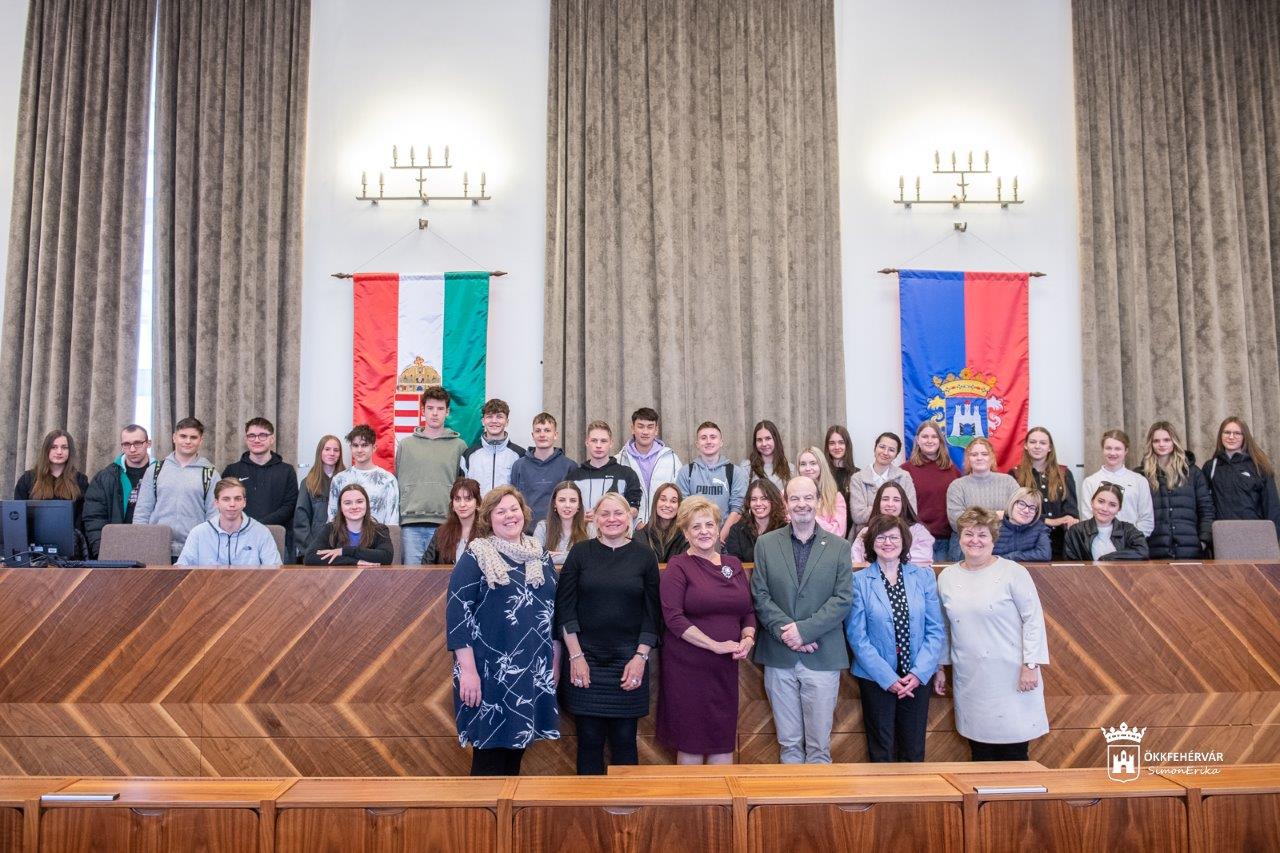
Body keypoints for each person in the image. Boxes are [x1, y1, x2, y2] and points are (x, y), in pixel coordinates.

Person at [446, 486, 559, 776]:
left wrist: (553, 664)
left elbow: (552, 610)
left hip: (531, 669)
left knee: (516, 754)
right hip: (488, 672)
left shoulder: (540, 555)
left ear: (524, 512)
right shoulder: (477, 555)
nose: (509, 516)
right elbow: (458, 616)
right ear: (488, 518)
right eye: (501, 511)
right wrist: (468, 671)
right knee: (488, 757)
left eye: (514, 509)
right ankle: (482, 820)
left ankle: (505, 819)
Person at [750, 476, 854, 764]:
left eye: (808, 497)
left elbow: (842, 599)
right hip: (779, 656)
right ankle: (791, 807)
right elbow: (760, 594)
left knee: (819, 747)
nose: (802, 504)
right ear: (785, 503)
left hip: (822, 656)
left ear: (818, 501)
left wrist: (804, 631)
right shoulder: (766, 544)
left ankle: (817, 808)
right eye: (795, 498)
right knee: (789, 745)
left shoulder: (839, 547)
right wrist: (788, 633)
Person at [557, 492, 661, 775]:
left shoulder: (644, 556)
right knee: (588, 741)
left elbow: (653, 615)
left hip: (629, 662)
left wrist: (640, 657)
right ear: (595, 518)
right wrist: (575, 656)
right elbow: (565, 609)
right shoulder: (580, 553)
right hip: (584, 661)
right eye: (605, 514)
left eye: (618, 514)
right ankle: (588, 814)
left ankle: (626, 816)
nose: (612, 519)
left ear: (630, 518)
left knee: (625, 741)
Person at [935, 507, 1049, 761]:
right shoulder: (947, 577)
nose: (975, 540)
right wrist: (940, 666)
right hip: (972, 677)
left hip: (1012, 675)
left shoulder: (1014, 573)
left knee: (1014, 751)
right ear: (960, 537)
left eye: (982, 535)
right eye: (969, 534)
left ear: (993, 539)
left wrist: (1031, 664)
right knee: (980, 751)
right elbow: (944, 626)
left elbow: (1033, 620)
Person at [657, 496, 756, 764]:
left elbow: (747, 610)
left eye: (709, 525)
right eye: (696, 527)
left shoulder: (733, 564)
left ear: (717, 527)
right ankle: (694, 806)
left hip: (725, 667)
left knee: (722, 738)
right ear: (686, 533)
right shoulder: (678, 566)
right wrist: (715, 645)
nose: (704, 532)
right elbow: (674, 619)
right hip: (688, 668)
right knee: (691, 742)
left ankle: (720, 806)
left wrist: (748, 637)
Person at [845, 515, 944, 762]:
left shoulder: (923, 577)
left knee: (913, 749)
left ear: (904, 542)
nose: (887, 542)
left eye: (893, 537)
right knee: (882, 749)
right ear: (871, 543)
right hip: (876, 678)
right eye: (880, 537)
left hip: (916, 678)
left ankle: (912, 801)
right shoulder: (858, 581)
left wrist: (920, 673)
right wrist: (887, 678)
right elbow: (857, 636)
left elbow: (935, 630)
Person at [396, 385, 468, 562]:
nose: (435, 413)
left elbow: (464, 487)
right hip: (411, 524)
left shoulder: (459, 446)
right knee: (410, 581)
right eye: (430, 408)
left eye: (440, 408)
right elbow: (399, 481)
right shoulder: (406, 445)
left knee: (442, 581)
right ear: (423, 411)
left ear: (447, 412)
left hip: (446, 523)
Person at [133, 417, 219, 559]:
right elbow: (142, 511)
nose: (187, 441)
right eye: (183, 436)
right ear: (174, 437)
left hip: (195, 550)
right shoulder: (155, 470)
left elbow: (214, 516)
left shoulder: (210, 473)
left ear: (200, 440)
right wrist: (141, 543)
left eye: (193, 437)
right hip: (156, 548)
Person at [222, 418, 299, 556]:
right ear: (246, 439)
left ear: (272, 439)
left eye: (263, 435)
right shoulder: (232, 470)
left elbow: (290, 506)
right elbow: (225, 503)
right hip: (239, 538)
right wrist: (247, 526)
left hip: (277, 539)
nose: (256, 440)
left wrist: (258, 525)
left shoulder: (287, 470)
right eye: (252, 435)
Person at [1141, 421, 1214, 558]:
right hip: (1154, 552)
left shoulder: (1193, 473)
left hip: (1190, 551)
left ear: (1174, 442)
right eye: (1156, 441)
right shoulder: (1141, 475)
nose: (1161, 444)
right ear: (1151, 444)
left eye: (1166, 440)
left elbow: (1206, 510)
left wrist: (1203, 541)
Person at [1203, 416, 1280, 538]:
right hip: (1222, 536)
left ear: (1245, 437)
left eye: (1237, 433)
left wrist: (1274, 539)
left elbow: (1272, 507)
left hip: (1255, 536)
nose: (1231, 437)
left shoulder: (1259, 466)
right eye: (1227, 432)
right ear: (1220, 436)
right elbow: (1205, 507)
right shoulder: (1210, 467)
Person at [175, 478, 282, 566]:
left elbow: (276, 571)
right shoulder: (198, 533)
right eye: (226, 499)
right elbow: (181, 569)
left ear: (244, 502)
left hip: (251, 590)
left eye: (237, 499)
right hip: (209, 589)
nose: (232, 504)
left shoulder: (261, 532)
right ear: (216, 503)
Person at [83, 425, 152, 558]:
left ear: (148, 444)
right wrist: (102, 552)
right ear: (121, 446)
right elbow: (94, 519)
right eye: (127, 444)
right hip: (115, 552)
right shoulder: (104, 478)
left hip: (152, 549)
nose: (132, 449)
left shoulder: (161, 475)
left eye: (137, 443)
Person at [1009, 427, 1079, 559]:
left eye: (1042, 443)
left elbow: (1072, 511)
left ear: (1050, 448)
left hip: (1061, 541)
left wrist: (1069, 519)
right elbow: (1012, 512)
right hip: (1028, 540)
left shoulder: (1064, 474)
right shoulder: (1015, 475)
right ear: (1025, 446)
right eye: (1033, 442)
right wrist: (1049, 521)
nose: (1037, 446)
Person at [945, 438, 1019, 559]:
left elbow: (1017, 515)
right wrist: (999, 514)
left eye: (984, 454)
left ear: (992, 457)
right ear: (968, 459)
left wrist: (973, 515)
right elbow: (956, 522)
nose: (979, 458)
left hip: (1004, 543)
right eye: (974, 454)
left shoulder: (1008, 482)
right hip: (966, 546)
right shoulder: (957, 486)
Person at [676, 421, 747, 542]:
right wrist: (699, 536)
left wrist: (720, 536)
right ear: (697, 444)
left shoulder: (735, 472)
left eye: (713, 437)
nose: (708, 441)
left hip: (726, 540)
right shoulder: (686, 472)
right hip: (695, 540)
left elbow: (738, 508)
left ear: (721, 442)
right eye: (703, 438)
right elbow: (684, 510)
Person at [1080, 430, 1155, 536]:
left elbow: (1146, 519)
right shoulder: (1090, 482)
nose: (1112, 453)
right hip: (1099, 547)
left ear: (1126, 451)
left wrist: (1133, 542)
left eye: (1118, 449)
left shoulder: (1139, 481)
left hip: (1132, 547)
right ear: (1103, 450)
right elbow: (1087, 519)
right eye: (1108, 448)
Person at [905, 421, 960, 562]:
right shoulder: (905, 471)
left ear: (940, 441)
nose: (929, 440)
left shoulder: (953, 471)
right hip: (917, 539)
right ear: (917, 440)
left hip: (947, 541)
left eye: (934, 437)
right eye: (925, 436)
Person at [510, 412, 577, 528]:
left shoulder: (570, 466)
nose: (542, 435)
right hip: (525, 532)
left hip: (558, 531)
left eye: (547, 430)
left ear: (555, 435)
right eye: (538, 431)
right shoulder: (519, 466)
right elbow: (513, 501)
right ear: (532, 435)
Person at [14, 429, 91, 530]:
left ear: (70, 451)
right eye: (54, 447)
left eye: (64, 447)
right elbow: (18, 516)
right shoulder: (27, 479)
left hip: (69, 541)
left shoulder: (81, 481)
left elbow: (82, 519)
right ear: (46, 450)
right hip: (33, 541)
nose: (59, 452)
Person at [615, 407, 681, 525]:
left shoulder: (672, 459)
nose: (645, 432)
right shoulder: (618, 460)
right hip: (628, 530)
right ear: (632, 429)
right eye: (640, 426)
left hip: (663, 530)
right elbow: (615, 499)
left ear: (656, 430)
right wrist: (637, 523)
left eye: (650, 427)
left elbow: (679, 496)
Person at [567, 420, 643, 521]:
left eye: (603, 441)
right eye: (594, 440)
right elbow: (565, 508)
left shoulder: (627, 474)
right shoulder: (574, 476)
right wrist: (579, 517)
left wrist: (605, 516)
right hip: (581, 535)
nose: (598, 445)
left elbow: (634, 510)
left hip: (616, 535)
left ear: (611, 443)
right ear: (587, 442)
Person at [303, 483, 394, 565]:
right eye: (348, 503)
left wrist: (345, 551)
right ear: (341, 508)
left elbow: (386, 557)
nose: (354, 507)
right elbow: (310, 557)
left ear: (367, 505)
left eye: (359, 501)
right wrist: (355, 562)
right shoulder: (330, 529)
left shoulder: (380, 530)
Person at [327, 425, 399, 526]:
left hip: (379, 538)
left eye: (364, 445)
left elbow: (392, 519)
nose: (359, 450)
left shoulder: (388, 480)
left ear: (374, 448)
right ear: (350, 448)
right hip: (345, 539)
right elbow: (332, 516)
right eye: (355, 445)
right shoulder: (339, 479)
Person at [851, 481, 935, 565]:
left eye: (896, 500)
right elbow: (856, 563)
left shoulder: (918, 531)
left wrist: (889, 565)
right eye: (885, 499)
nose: (890, 504)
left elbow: (923, 560)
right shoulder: (866, 532)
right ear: (878, 503)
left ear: (903, 504)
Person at [1064, 483, 1150, 561]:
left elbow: (1143, 552)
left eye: (1112, 505)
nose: (1105, 509)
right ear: (1092, 502)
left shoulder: (1129, 530)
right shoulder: (1076, 531)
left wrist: (1107, 558)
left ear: (1119, 509)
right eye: (1101, 502)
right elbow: (1069, 565)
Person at [292, 435, 345, 561]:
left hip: (342, 547)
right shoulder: (308, 482)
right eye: (327, 449)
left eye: (336, 450)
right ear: (320, 452)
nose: (331, 453)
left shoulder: (347, 479)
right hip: (314, 547)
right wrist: (311, 549)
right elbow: (301, 519)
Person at [459, 398, 526, 496]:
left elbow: (524, 490)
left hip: (507, 511)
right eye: (489, 416)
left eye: (499, 417)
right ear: (483, 421)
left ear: (507, 421)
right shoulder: (468, 454)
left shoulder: (520, 455)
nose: (494, 421)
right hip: (479, 511)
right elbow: (462, 490)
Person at [724, 478, 787, 563]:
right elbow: (734, 564)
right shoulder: (737, 530)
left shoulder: (785, 529)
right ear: (748, 502)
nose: (758, 503)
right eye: (753, 499)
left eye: (764, 498)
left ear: (773, 500)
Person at [423, 478, 481, 565]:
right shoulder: (441, 532)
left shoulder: (486, 533)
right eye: (457, 499)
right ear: (453, 505)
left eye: (468, 499)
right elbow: (426, 564)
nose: (462, 504)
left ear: (477, 503)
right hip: (443, 578)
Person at [533, 480, 589, 565]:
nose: (567, 505)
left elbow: (592, 557)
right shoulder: (543, 527)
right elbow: (536, 557)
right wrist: (577, 555)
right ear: (554, 504)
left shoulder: (589, 528)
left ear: (579, 505)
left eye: (573, 501)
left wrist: (557, 556)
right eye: (562, 500)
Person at [795, 446, 847, 538]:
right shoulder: (786, 495)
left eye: (813, 463)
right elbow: (787, 527)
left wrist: (807, 518)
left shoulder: (836, 497)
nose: (808, 468)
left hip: (827, 549)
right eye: (803, 464)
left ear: (821, 466)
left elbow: (838, 532)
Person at [993, 488, 1052, 562]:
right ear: (1012, 504)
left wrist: (1013, 556)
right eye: (1022, 504)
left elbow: (1044, 554)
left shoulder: (1040, 528)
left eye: (1032, 508)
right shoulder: (994, 526)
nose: (1026, 510)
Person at [634, 482, 688, 562]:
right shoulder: (639, 537)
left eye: (673, 501)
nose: (667, 505)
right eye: (663, 499)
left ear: (679, 506)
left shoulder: (685, 538)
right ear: (655, 503)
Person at [741, 420, 791, 492]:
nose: (764, 444)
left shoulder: (789, 468)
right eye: (759, 440)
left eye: (768, 438)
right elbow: (742, 499)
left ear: (776, 439)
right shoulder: (746, 468)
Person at [826, 425, 858, 535]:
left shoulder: (857, 475)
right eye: (832, 443)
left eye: (841, 442)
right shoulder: (821, 474)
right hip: (828, 532)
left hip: (851, 533)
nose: (836, 447)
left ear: (847, 445)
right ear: (827, 446)